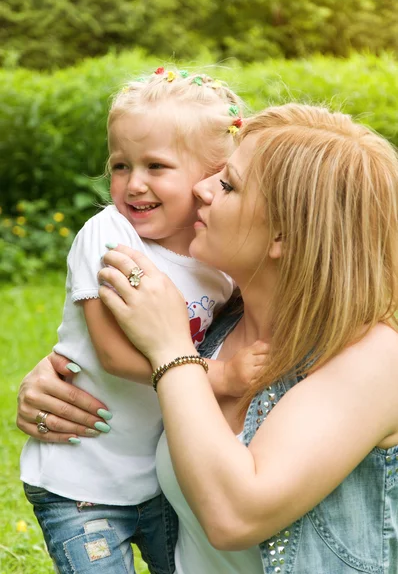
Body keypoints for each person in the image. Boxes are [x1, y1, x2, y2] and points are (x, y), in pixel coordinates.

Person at [19, 103, 398, 573]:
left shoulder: (375, 358)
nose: (200, 188)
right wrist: (59, 378)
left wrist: (171, 352)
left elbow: (235, 518)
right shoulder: (222, 327)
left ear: (283, 234)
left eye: (228, 184)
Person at [19, 67, 267, 574]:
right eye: (120, 165)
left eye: (157, 166)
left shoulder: (218, 261)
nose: (133, 184)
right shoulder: (110, 235)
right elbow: (111, 353)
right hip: (81, 479)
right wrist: (220, 376)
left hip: (156, 481)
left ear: (210, 178)